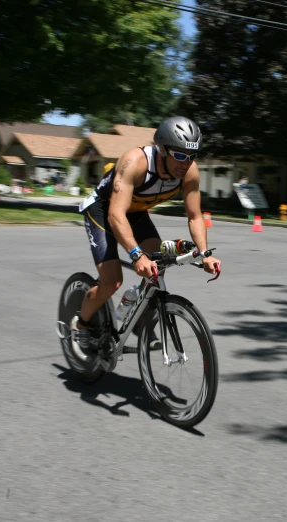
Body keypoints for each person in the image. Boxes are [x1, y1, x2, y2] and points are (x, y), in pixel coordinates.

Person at [72, 116, 221, 352]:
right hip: (103, 210)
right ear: (162, 149)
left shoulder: (189, 172)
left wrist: (204, 253)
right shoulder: (135, 162)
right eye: (180, 155)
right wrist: (136, 254)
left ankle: (140, 321)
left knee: (158, 264)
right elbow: (115, 215)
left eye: (192, 156)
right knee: (112, 281)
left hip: (136, 212)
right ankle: (81, 325)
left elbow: (195, 216)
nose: (186, 163)